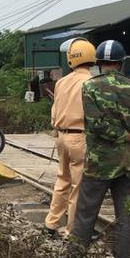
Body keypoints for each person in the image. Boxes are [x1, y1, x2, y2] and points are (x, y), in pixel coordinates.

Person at [63, 40, 130, 258]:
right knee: (125, 218)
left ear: (99, 63)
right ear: (121, 63)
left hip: (98, 165)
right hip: (129, 166)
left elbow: (96, 125)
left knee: (85, 216)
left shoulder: (90, 88)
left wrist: (121, 135)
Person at [43, 38, 96, 237]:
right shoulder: (91, 83)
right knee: (78, 186)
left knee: (62, 180)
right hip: (80, 137)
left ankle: (51, 223)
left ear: (71, 59)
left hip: (61, 136)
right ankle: (72, 231)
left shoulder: (61, 83)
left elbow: (54, 112)